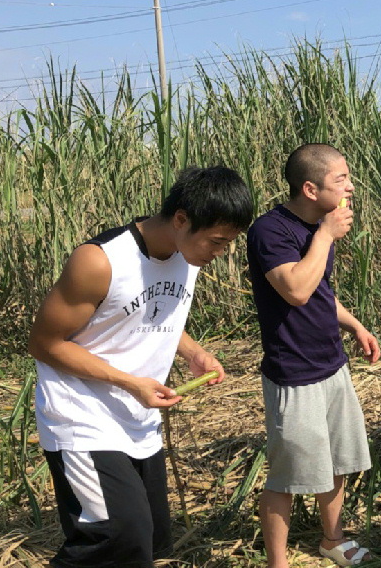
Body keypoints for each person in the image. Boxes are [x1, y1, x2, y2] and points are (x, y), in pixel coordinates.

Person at [28, 166, 255, 567]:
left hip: (138, 422)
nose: (219, 254)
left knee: (144, 544)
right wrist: (130, 383)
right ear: (182, 219)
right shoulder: (100, 262)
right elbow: (45, 343)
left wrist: (192, 352)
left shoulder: (187, 254)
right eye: (217, 242)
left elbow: (144, 312)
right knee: (112, 535)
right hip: (82, 415)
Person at [247, 143, 380, 568]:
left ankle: (332, 539)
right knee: (285, 477)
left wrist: (354, 325)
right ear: (310, 188)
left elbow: (321, 294)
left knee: (337, 460)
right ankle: (278, 562)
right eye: (341, 180)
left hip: (331, 363)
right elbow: (297, 289)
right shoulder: (270, 232)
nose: (351, 187)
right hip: (293, 372)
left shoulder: (320, 229)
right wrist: (324, 236)